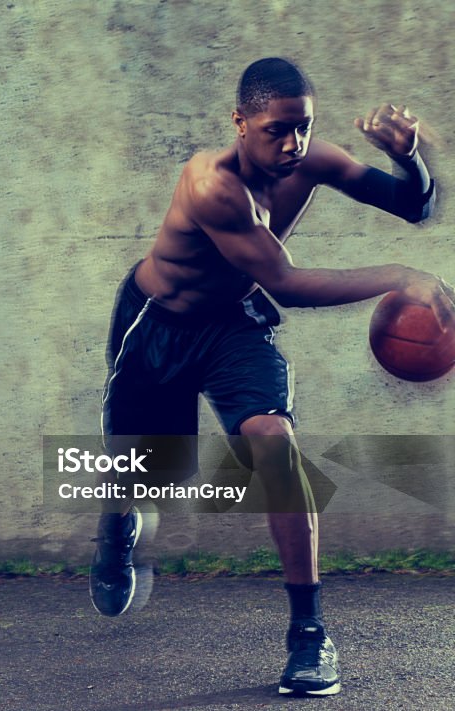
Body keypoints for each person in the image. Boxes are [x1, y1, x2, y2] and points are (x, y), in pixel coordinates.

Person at [89, 57, 455, 697]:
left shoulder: (312, 161)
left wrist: (412, 162)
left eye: (303, 129)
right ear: (240, 122)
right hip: (158, 328)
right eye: (276, 130)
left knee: (275, 447)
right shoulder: (210, 185)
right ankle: (118, 527)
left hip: (233, 326)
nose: (293, 145)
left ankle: (309, 636)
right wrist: (400, 276)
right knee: (146, 475)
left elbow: (413, 206)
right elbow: (284, 281)